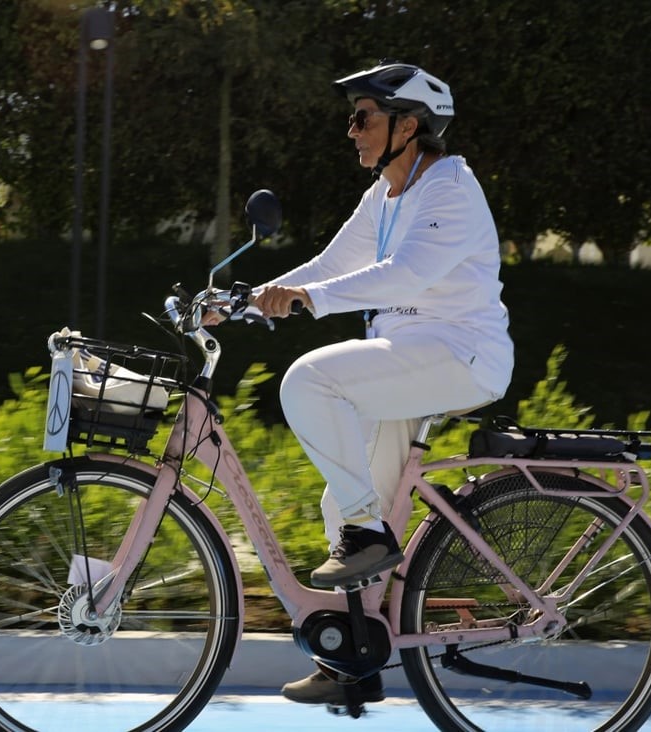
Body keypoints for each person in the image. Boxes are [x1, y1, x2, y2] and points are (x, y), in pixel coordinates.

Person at [248, 60, 515, 705]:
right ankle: (355, 661)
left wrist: (307, 298)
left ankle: (369, 538)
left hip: (458, 355)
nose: (352, 130)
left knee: (308, 382)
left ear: (408, 125)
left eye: (362, 117)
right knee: (341, 505)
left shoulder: (449, 187)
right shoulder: (385, 195)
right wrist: (250, 298)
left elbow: (403, 274)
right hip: (408, 360)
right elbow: (332, 263)